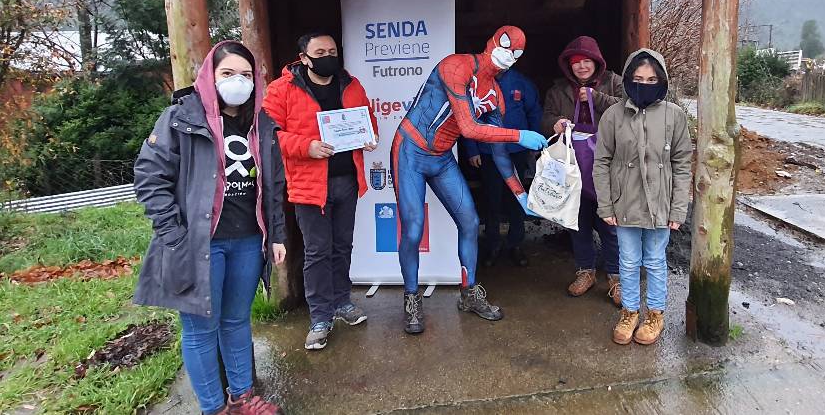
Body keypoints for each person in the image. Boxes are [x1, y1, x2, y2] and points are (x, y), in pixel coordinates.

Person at [134, 41, 286, 415]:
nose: (238, 81)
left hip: (249, 241)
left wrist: (277, 234)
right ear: (209, 76)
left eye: (246, 75)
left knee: (236, 321)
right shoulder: (182, 117)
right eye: (228, 73)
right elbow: (149, 177)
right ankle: (213, 408)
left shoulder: (262, 123)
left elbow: (275, 185)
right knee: (201, 330)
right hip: (200, 244)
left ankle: (243, 398)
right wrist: (175, 236)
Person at [392, 25, 547, 334]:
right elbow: (469, 128)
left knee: (470, 221)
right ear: (492, 42)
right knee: (413, 228)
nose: (510, 56)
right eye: (507, 47)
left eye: (517, 53)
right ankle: (411, 297)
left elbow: (500, 154)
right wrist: (521, 134)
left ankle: (470, 293)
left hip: (441, 156)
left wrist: (520, 195)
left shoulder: (496, 95)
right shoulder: (456, 66)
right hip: (410, 149)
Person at [263, 32, 378, 352]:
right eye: (320, 52)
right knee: (317, 252)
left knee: (342, 246)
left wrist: (369, 136)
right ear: (304, 58)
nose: (328, 56)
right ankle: (320, 318)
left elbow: (368, 119)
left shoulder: (351, 84)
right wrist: (307, 147)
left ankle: (342, 303)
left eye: (332, 51)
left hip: (347, 182)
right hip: (309, 187)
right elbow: (269, 137)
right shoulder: (281, 90)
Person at [593, 48, 693, 346]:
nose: (644, 84)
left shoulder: (674, 116)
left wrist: (678, 209)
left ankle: (655, 315)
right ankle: (630, 311)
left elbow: (682, 163)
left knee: (654, 259)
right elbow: (601, 162)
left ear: (661, 80)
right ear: (627, 79)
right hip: (624, 202)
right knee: (628, 260)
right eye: (638, 79)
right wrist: (606, 204)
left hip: (660, 204)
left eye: (651, 79)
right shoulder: (613, 115)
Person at [542, 36, 624, 305]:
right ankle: (585, 272)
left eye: (586, 61)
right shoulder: (558, 91)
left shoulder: (615, 82)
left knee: (610, 225)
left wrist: (595, 97)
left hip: (608, 168)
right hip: (573, 170)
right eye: (575, 63)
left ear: (596, 62)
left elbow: (631, 109)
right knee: (578, 224)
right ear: (568, 66)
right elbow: (545, 118)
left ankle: (616, 277)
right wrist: (555, 124)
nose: (581, 67)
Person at [464, 66, 542, 268]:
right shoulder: (477, 82)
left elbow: (534, 113)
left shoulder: (521, 82)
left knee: (517, 199)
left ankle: (515, 244)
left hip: (517, 151)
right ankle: (492, 245)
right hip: (489, 153)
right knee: (492, 199)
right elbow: (468, 116)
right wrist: (472, 149)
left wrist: (535, 144)